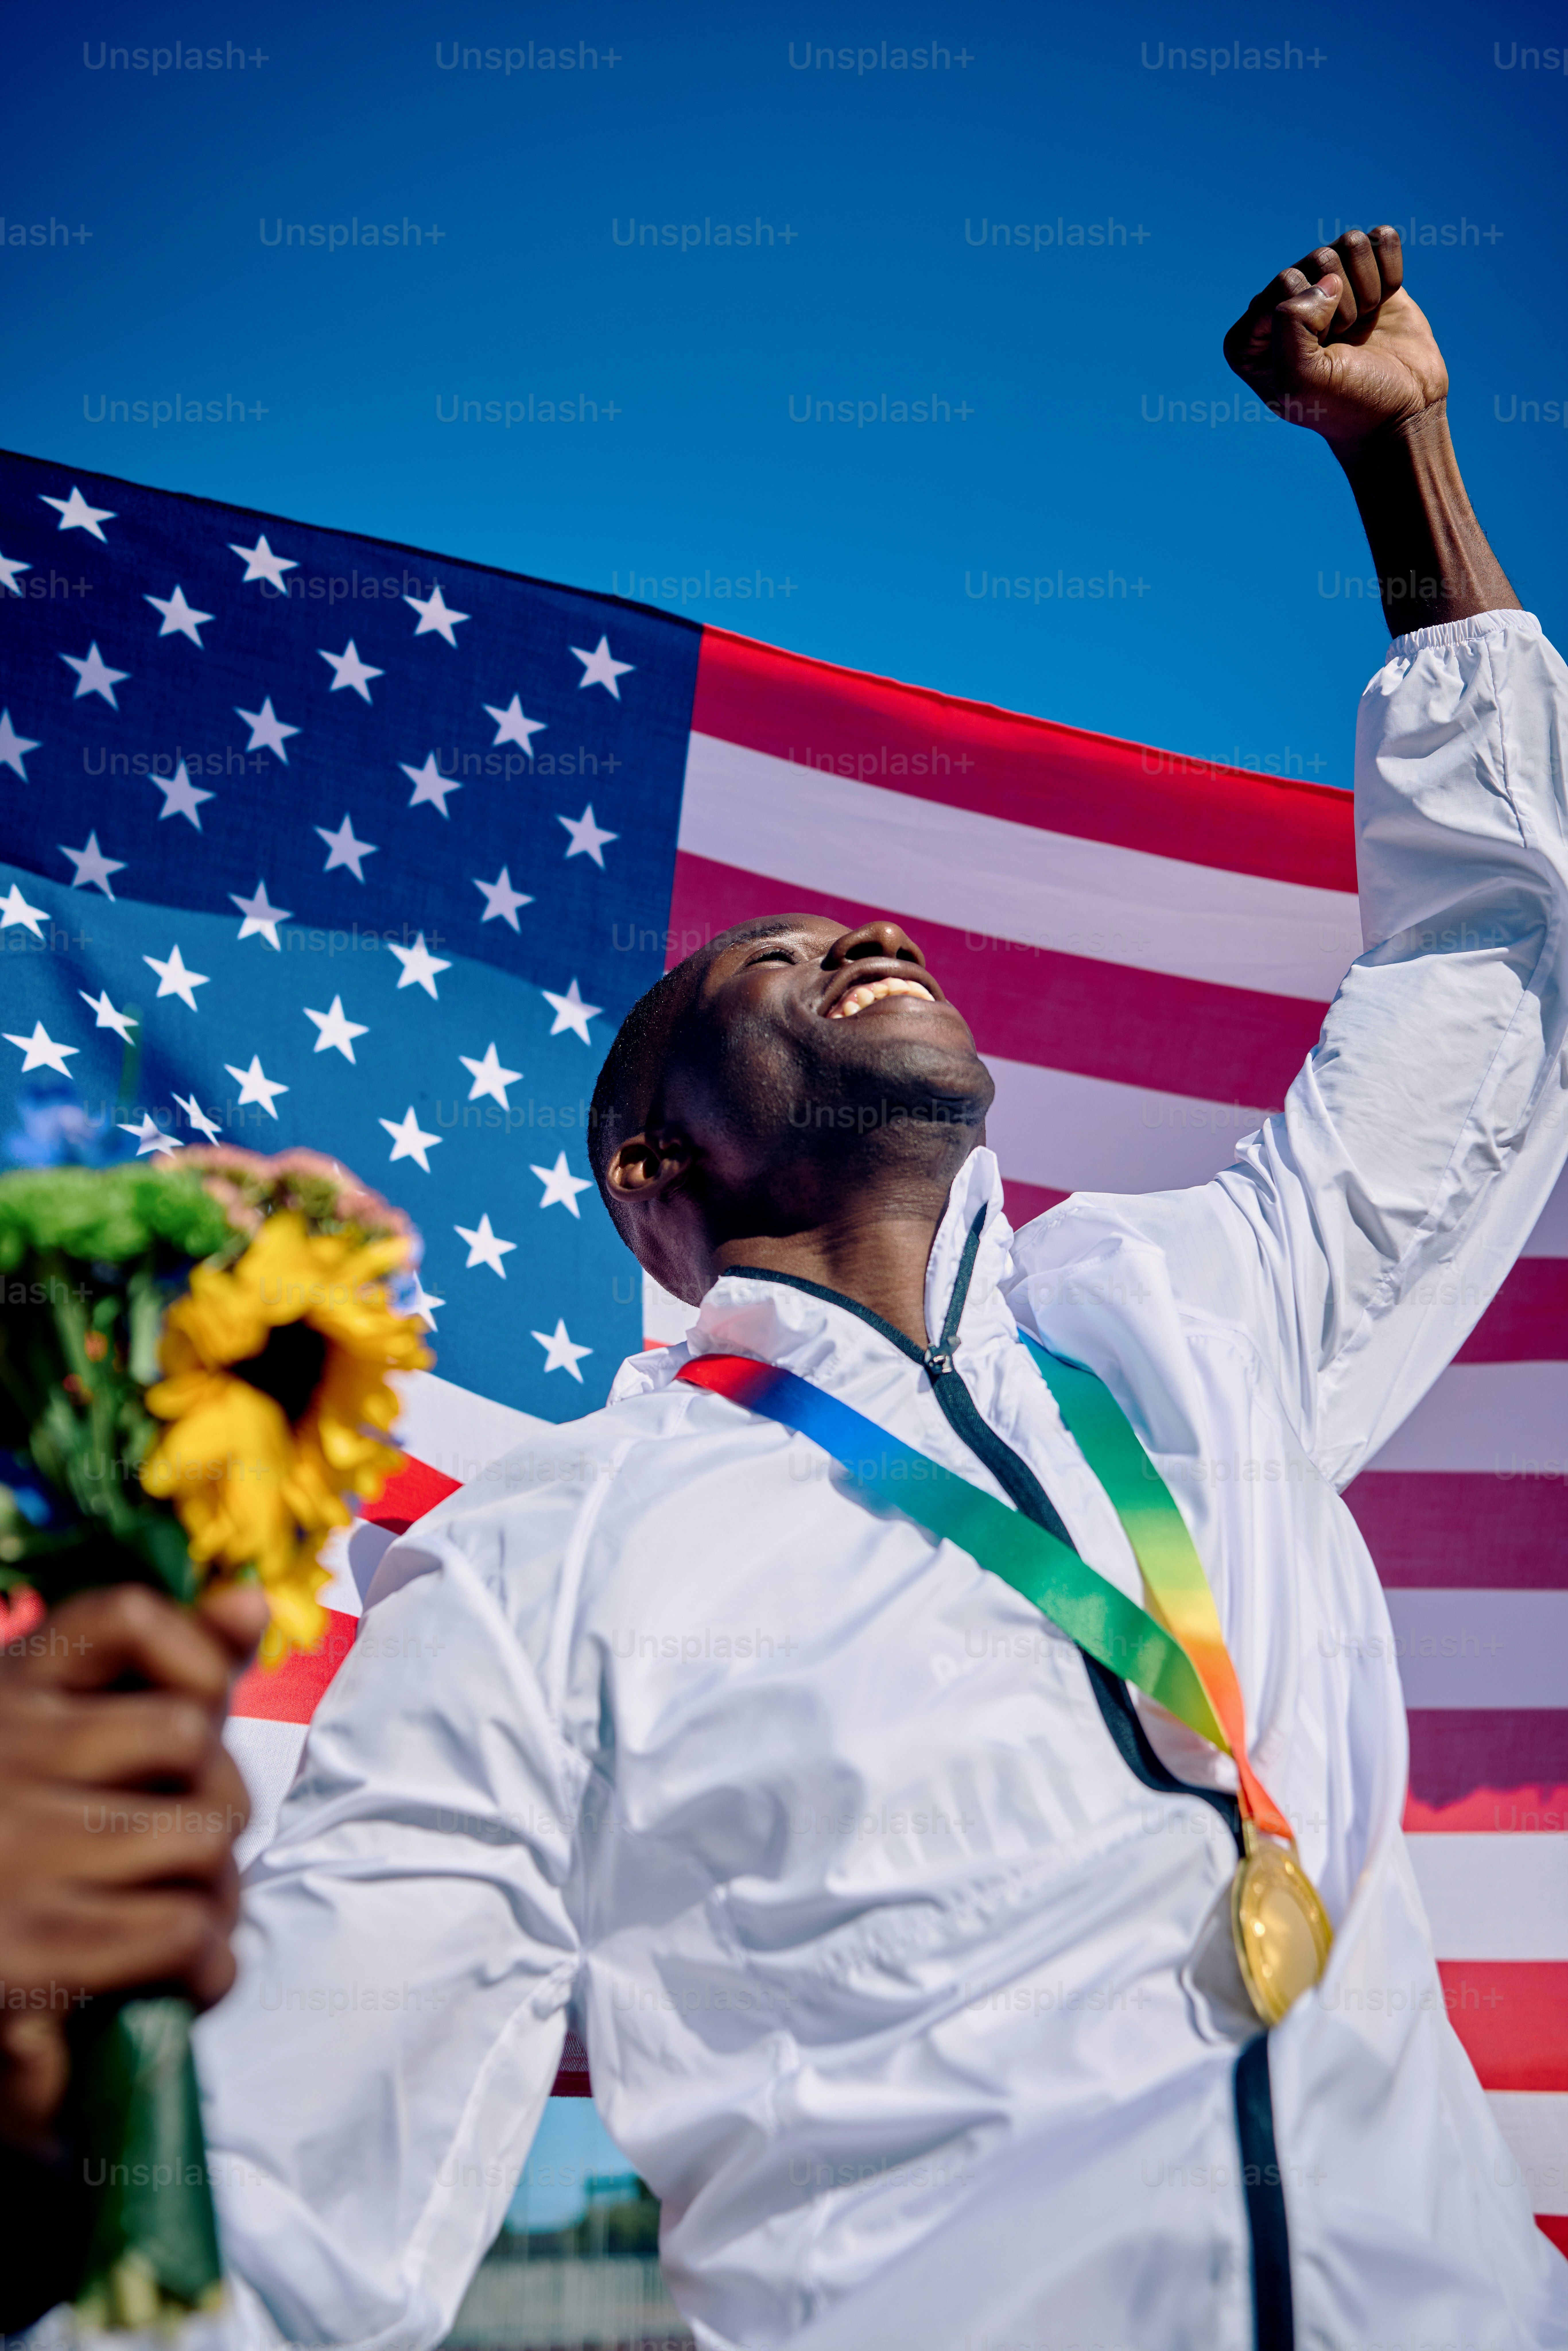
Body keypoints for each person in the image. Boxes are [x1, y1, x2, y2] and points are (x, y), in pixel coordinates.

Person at [6, 226, 1567, 2349]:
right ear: (653, 1178)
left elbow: (1484, 976)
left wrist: (1406, 475)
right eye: (768, 963)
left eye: (865, 934)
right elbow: (283, 2221)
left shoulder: (1199, 1320)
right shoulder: (545, 1567)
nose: (854, 938)